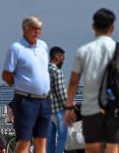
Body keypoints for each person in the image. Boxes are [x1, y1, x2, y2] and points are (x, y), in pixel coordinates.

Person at [65, 8, 118, 152]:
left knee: (92, 148)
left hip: (91, 109)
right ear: (113, 27)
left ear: (93, 26)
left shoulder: (84, 51)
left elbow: (73, 82)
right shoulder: (117, 50)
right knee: (113, 148)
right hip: (114, 109)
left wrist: (69, 107)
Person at [2, 16, 50, 153]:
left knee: (41, 140)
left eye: (39, 28)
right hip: (26, 99)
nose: (37, 31)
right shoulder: (16, 49)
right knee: (24, 141)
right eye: (34, 28)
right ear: (24, 29)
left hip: (43, 99)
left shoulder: (43, 46)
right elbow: (6, 75)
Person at [47, 46, 68, 153]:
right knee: (62, 138)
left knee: (49, 140)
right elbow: (61, 94)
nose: (63, 61)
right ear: (56, 57)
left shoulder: (43, 71)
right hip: (58, 111)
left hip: (46, 111)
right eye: (62, 58)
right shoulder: (57, 72)